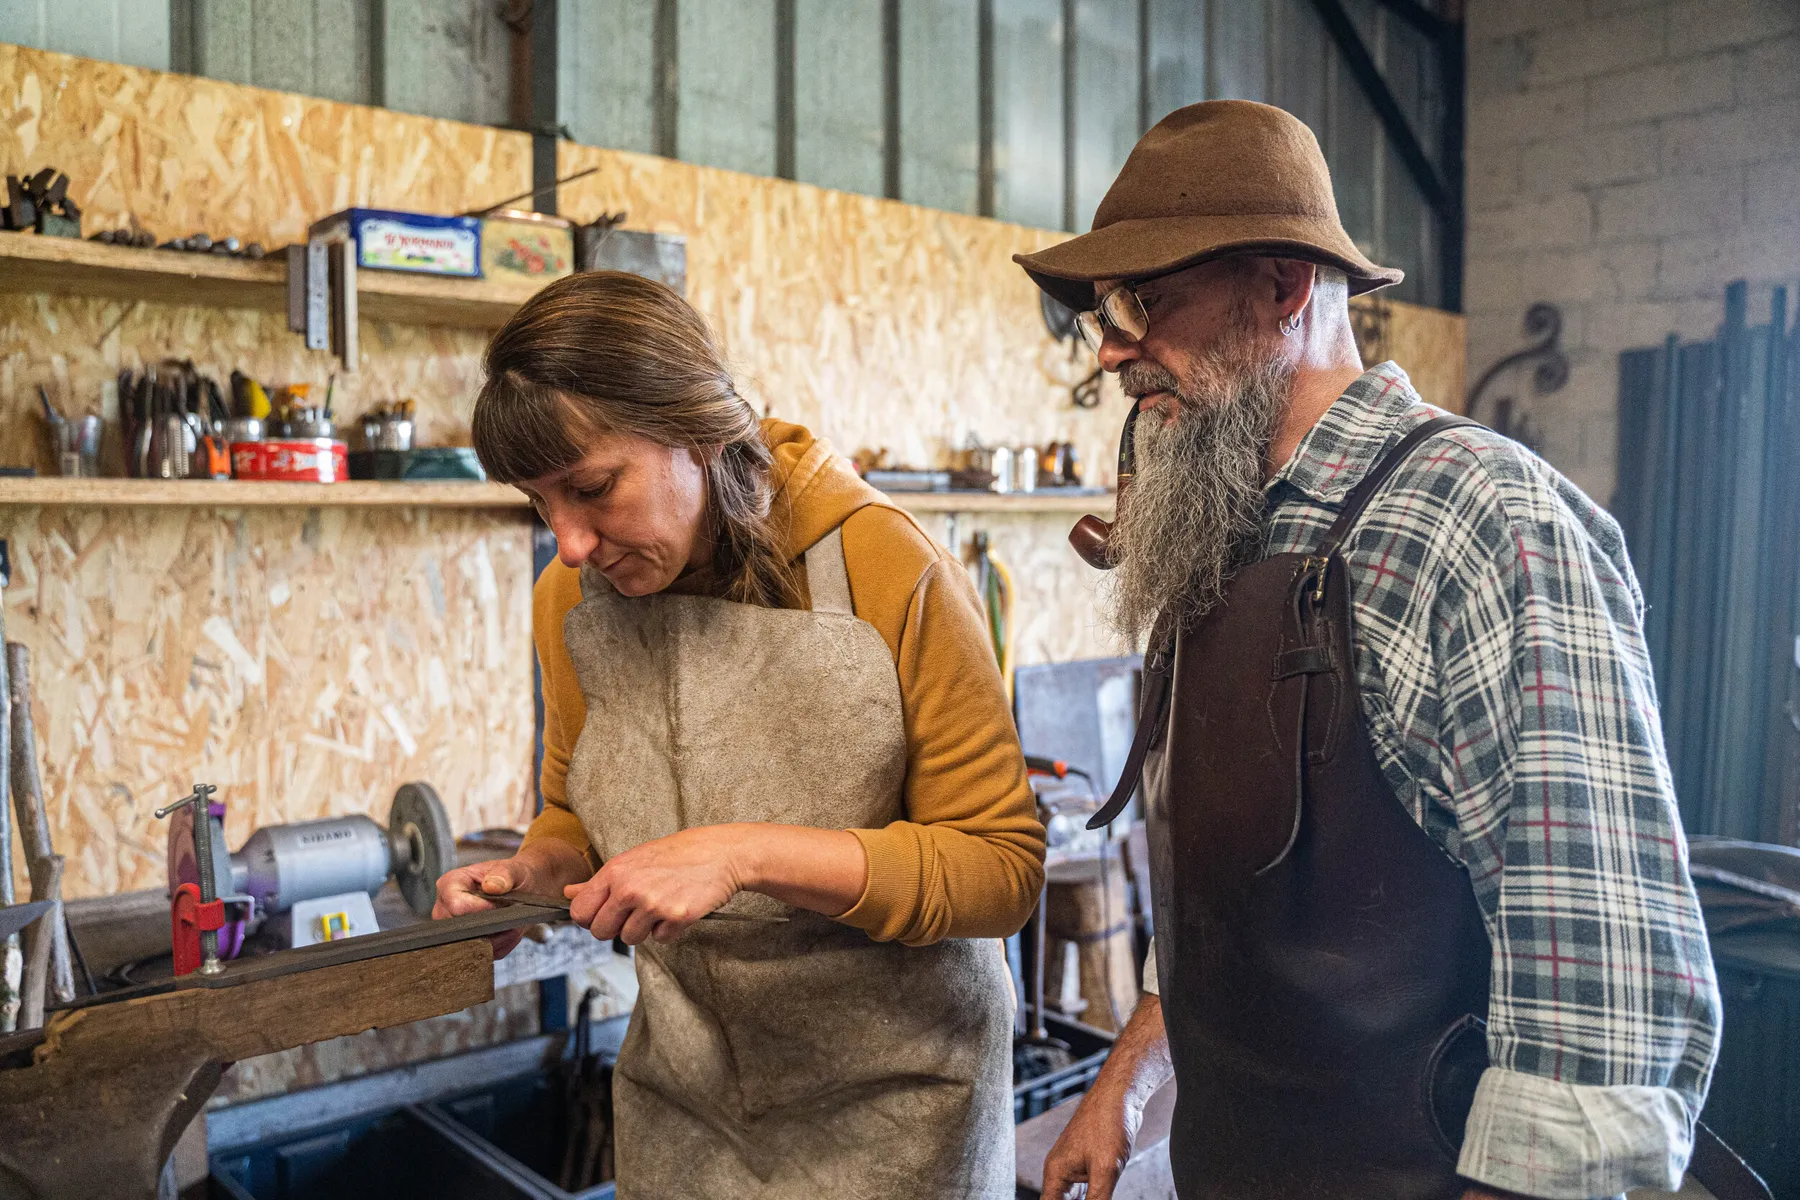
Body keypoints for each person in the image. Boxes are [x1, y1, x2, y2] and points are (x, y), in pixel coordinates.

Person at [1020, 101, 1719, 1200]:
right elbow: (1249, 905)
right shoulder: (1217, 527)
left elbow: (1601, 1012)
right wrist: (1127, 1080)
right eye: (1105, 309)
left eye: (1143, 300)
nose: (1109, 348)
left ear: (1287, 288)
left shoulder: (1479, 521)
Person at [433, 270, 1043, 1198]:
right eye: (539, 503)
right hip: (684, 1113)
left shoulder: (882, 565)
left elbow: (999, 871)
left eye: (593, 488)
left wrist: (742, 853)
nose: (569, 542)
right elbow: (571, 814)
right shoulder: (571, 602)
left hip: (899, 1115)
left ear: (700, 430)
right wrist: (531, 877)